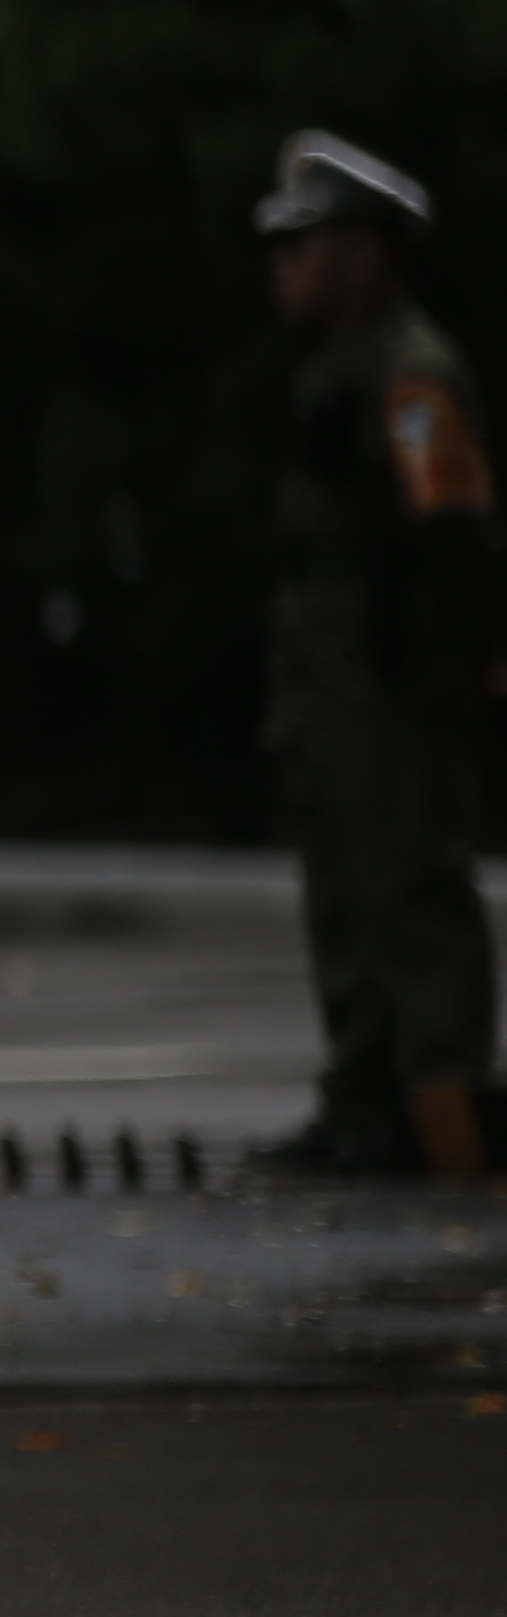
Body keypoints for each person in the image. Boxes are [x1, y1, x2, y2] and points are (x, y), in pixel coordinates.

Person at [247, 132, 498, 1179]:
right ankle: (362, 1107)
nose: (284, 268)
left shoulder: (408, 373)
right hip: (330, 678)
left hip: (392, 680)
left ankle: (448, 1126)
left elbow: (453, 527)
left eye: (306, 246)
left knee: (410, 893)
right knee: (346, 890)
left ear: (364, 257)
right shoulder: (338, 371)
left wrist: (475, 649)